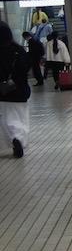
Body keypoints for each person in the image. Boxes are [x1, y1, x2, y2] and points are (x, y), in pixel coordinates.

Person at [0, 22, 31, 157]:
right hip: (20, 90)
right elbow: (25, 68)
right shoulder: (19, 50)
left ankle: (13, 138)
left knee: (6, 119)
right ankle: (18, 138)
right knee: (20, 118)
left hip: (3, 92)